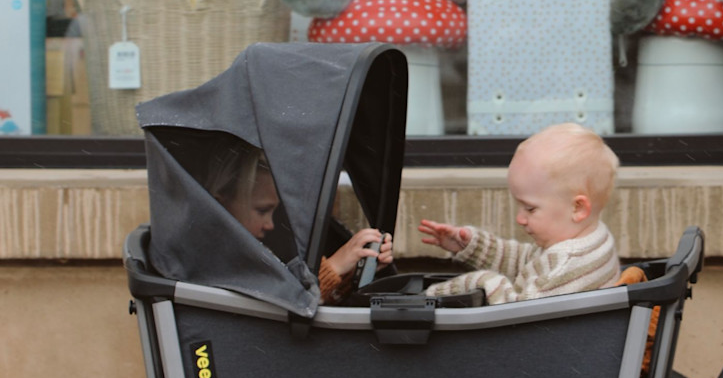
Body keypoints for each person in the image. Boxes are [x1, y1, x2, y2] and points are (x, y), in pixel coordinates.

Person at [418, 122, 620, 303]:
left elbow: (518, 315)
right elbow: (526, 261)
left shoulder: (565, 266)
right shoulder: (591, 238)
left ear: (578, 208)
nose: (520, 218)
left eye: (530, 208)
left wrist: (481, 283)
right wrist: (472, 246)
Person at [205, 141, 393, 304]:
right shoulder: (217, 261)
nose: (270, 224)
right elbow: (281, 311)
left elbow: (311, 305)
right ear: (222, 204)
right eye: (262, 210)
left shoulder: (254, 251)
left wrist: (353, 272)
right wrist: (333, 268)